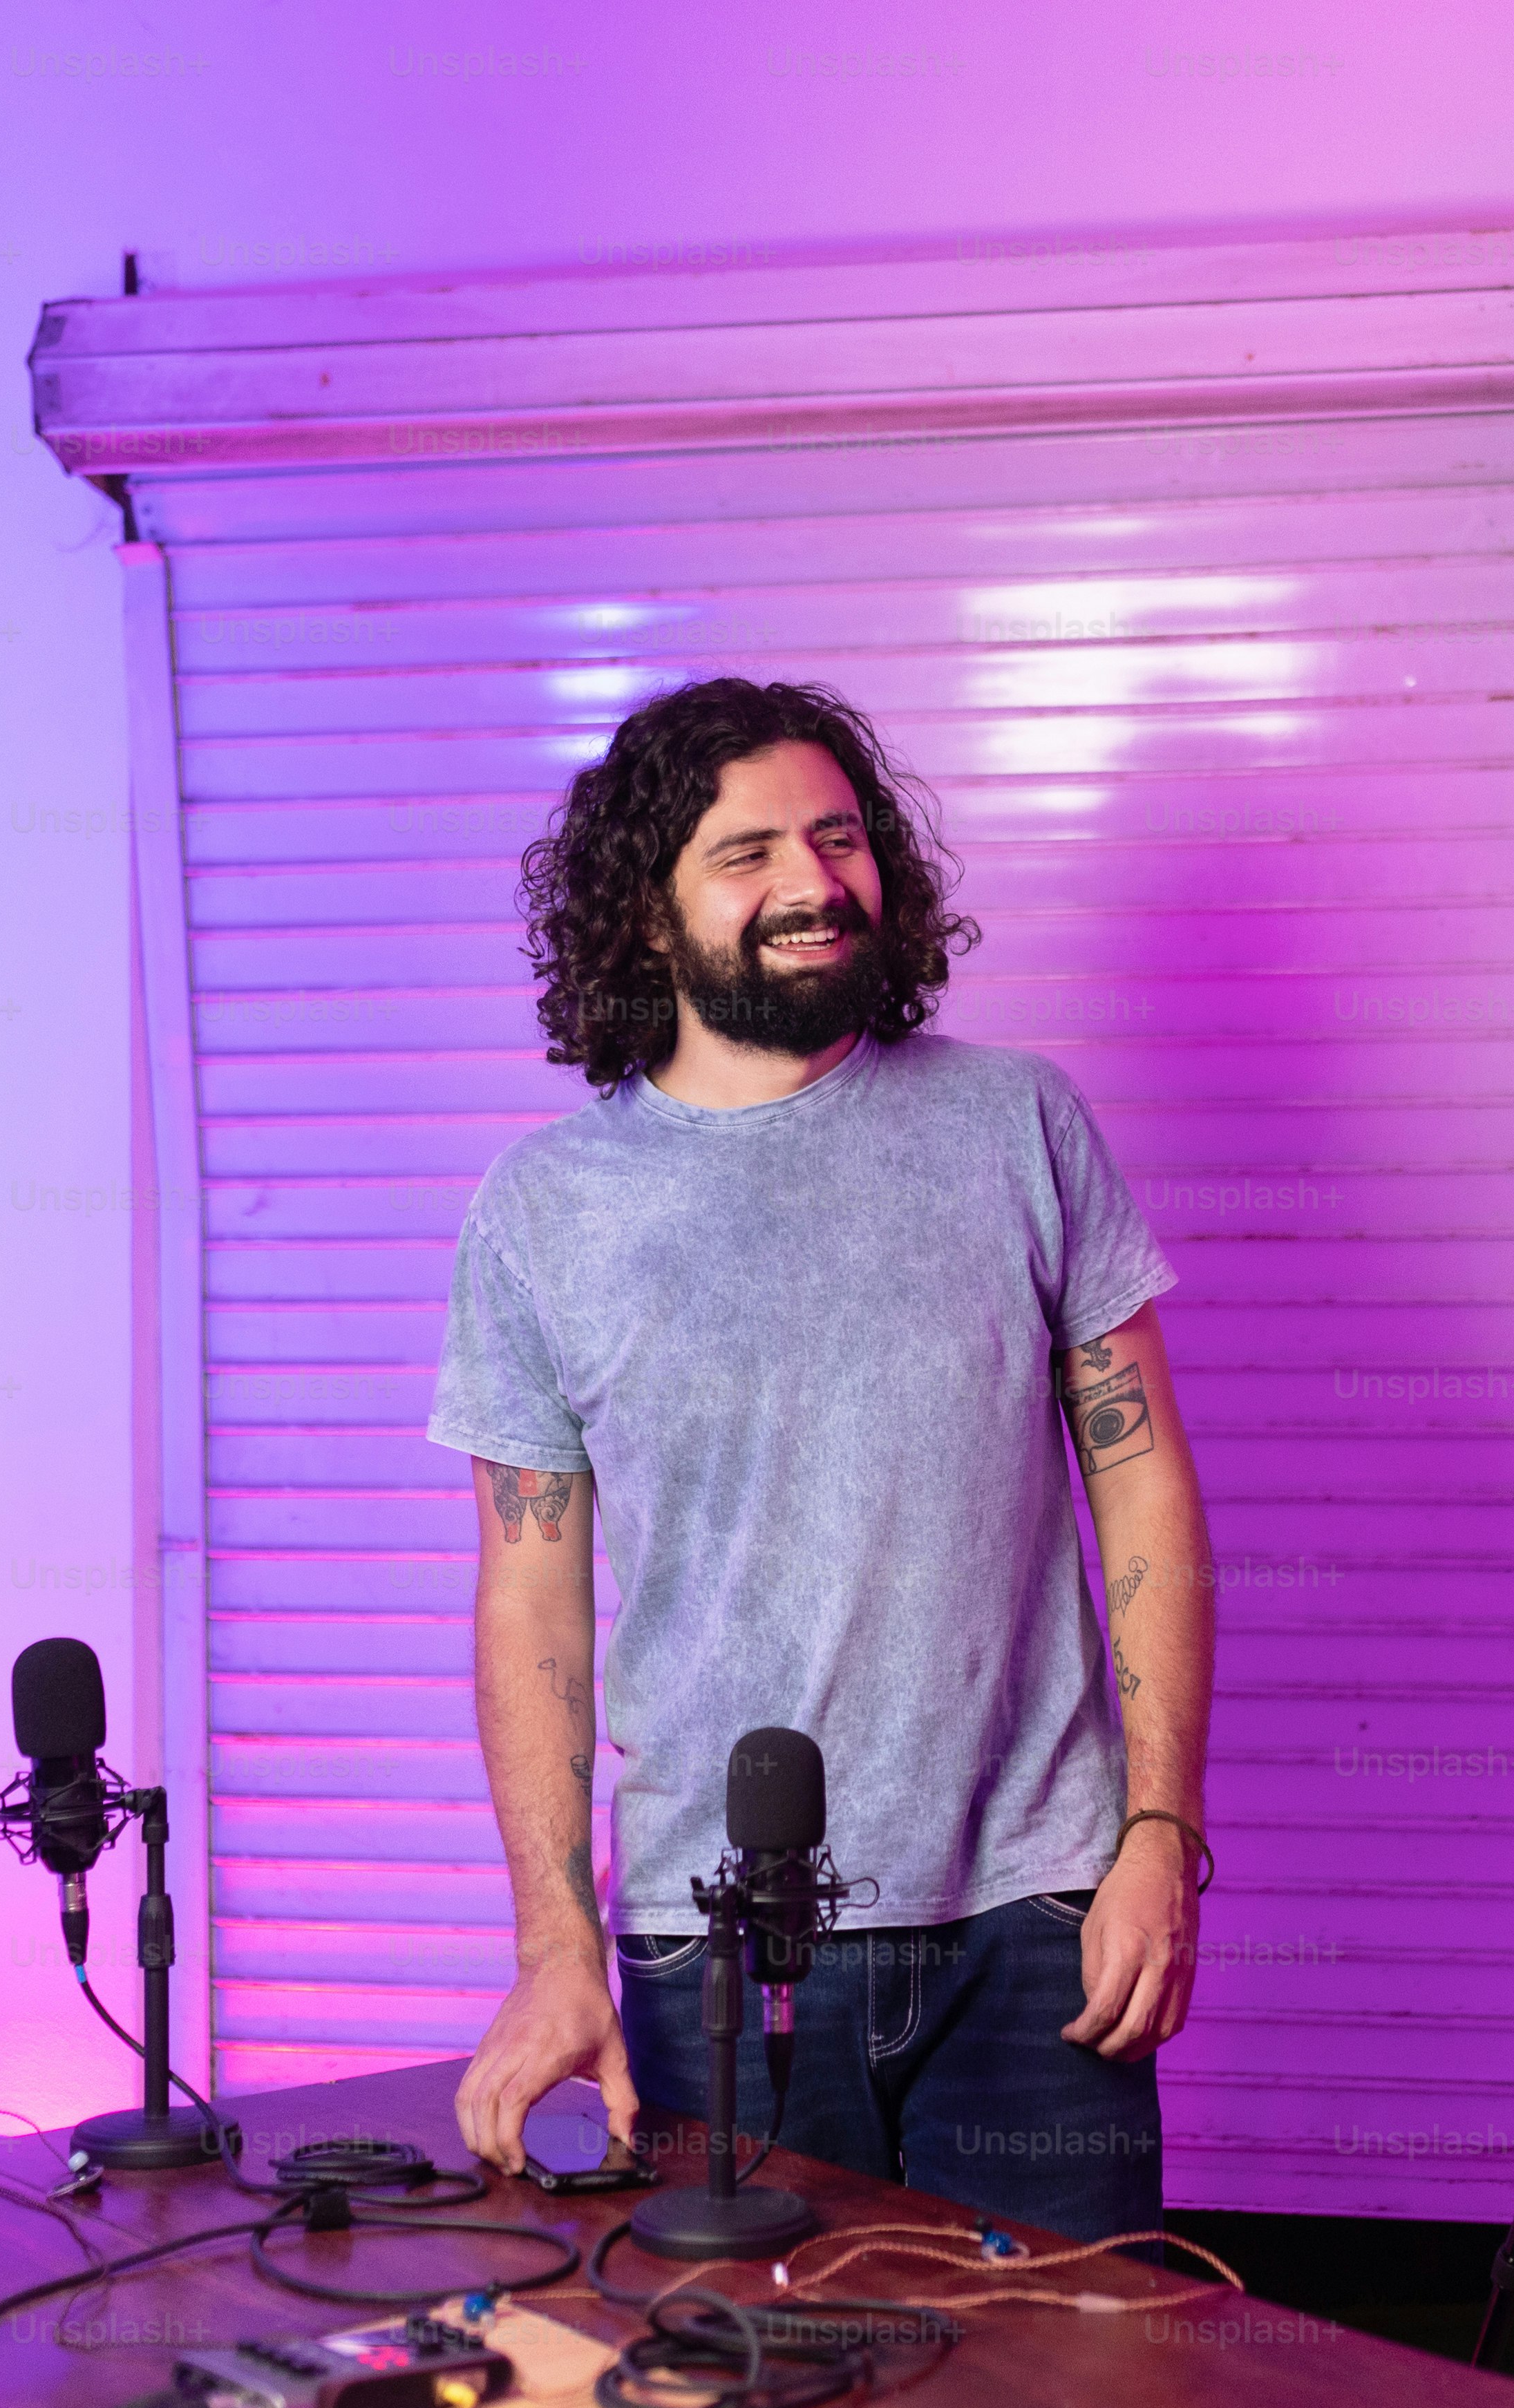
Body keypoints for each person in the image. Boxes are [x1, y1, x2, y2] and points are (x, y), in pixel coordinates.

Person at [428, 677, 1213, 2242]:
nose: (814, 881)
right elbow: (533, 1605)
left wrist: (1157, 1835)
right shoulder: (547, 1209)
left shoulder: (1017, 1124)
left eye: (839, 837)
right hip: (706, 1944)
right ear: (645, 916)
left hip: (1036, 1922)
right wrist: (554, 1939)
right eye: (749, 852)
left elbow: (1143, 1485)